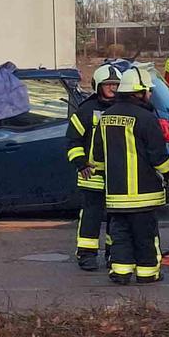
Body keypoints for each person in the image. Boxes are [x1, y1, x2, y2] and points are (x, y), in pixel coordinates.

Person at [92, 66, 169, 285]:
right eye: (148, 91)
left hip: (116, 194)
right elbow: (159, 157)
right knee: (145, 236)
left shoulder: (105, 117)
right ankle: (148, 274)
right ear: (139, 91)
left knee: (120, 236)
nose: (150, 95)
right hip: (144, 194)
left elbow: (97, 156)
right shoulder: (146, 119)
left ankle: (120, 272)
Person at [66, 63, 120, 269]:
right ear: (98, 85)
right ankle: (86, 255)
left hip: (117, 174)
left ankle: (113, 253)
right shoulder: (86, 110)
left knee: (116, 217)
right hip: (92, 174)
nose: (113, 88)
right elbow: (73, 140)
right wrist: (80, 163)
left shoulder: (122, 109)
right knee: (91, 216)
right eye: (108, 84)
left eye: (116, 84)